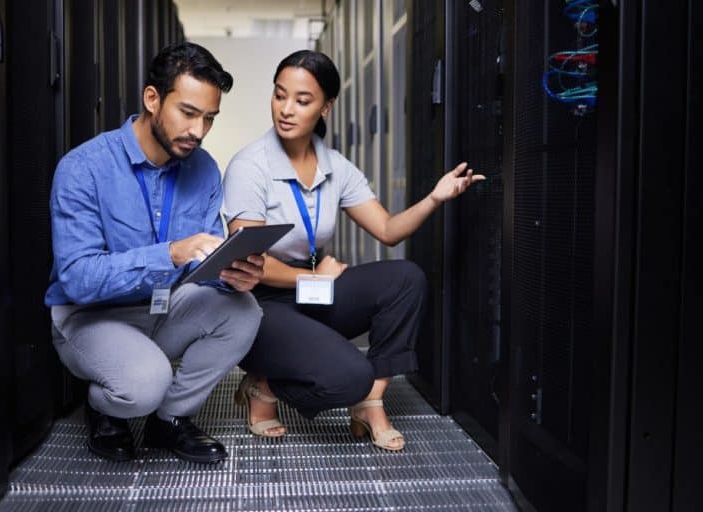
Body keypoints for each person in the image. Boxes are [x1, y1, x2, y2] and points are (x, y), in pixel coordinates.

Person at [222, 50, 485, 451]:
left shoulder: (335, 166)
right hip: (259, 304)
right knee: (346, 376)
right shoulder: (250, 166)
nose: (286, 110)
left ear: (326, 106)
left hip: (311, 290)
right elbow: (246, 262)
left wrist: (435, 197)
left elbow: (388, 230)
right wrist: (313, 276)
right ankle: (266, 385)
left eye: (302, 100)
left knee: (405, 278)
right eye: (279, 95)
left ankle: (371, 400)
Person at [45, 42, 265, 464]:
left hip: (163, 308)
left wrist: (231, 273)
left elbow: (201, 260)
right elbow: (77, 277)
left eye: (209, 119)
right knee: (145, 383)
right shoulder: (84, 168)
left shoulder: (203, 169)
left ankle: (170, 420)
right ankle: (105, 403)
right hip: (92, 316)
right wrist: (170, 253)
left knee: (244, 310)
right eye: (187, 112)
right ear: (152, 99)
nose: (198, 131)